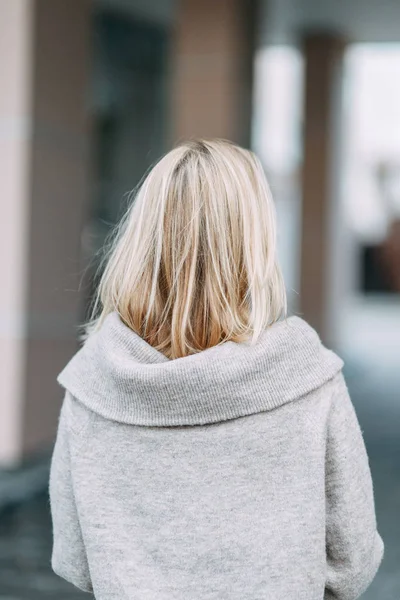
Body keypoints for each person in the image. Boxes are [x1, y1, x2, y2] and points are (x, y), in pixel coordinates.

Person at [49, 139, 384, 600]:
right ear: (254, 241)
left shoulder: (94, 379)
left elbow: (73, 559)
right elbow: (353, 562)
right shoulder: (304, 373)